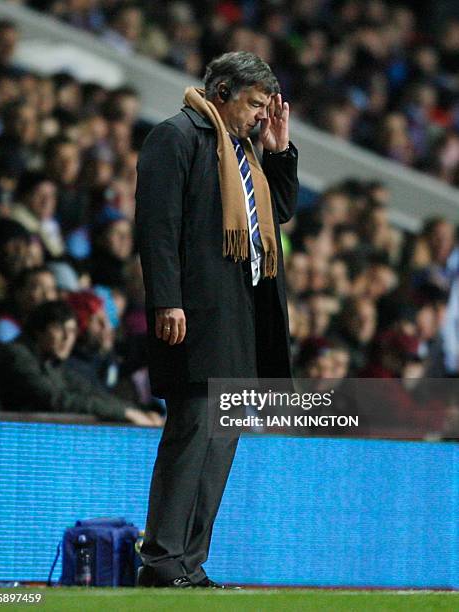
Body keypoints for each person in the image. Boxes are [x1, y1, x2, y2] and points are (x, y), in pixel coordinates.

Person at [135, 51, 299, 588]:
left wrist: (278, 152)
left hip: (243, 317)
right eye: (254, 104)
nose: (260, 115)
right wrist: (166, 300)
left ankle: (190, 564)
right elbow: (158, 226)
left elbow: (282, 211)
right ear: (222, 92)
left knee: (220, 446)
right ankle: (161, 562)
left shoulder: (248, 151)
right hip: (197, 315)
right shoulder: (176, 136)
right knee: (191, 438)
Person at [0, 299, 155, 426]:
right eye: (59, 329)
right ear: (39, 330)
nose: (66, 338)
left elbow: (89, 392)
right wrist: (124, 414)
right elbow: (57, 399)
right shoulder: (17, 355)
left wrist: (134, 410)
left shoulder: (51, 361)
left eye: (71, 331)